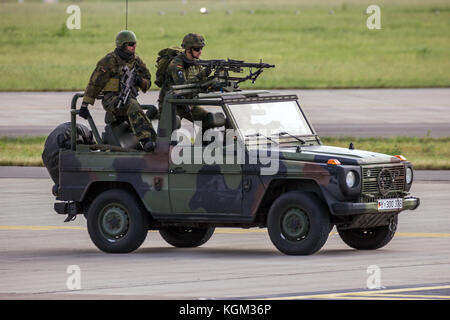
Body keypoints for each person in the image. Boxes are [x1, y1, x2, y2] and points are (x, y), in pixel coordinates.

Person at [79, 30, 156, 151]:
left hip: (129, 98)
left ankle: (154, 140)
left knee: (145, 108)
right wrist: (85, 105)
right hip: (112, 101)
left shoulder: (136, 61)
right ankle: (146, 140)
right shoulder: (108, 61)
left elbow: (148, 82)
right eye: (130, 44)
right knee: (132, 105)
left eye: (135, 44)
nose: (134, 47)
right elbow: (95, 83)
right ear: (122, 46)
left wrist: (139, 81)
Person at [158, 33, 211, 122]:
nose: (200, 51)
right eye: (197, 49)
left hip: (187, 103)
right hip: (171, 104)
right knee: (170, 130)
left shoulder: (197, 63)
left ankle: (202, 136)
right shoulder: (176, 64)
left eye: (201, 48)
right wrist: (202, 75)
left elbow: (201, 83)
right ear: (188, 49)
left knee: (208, 119)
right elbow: (182, 86)